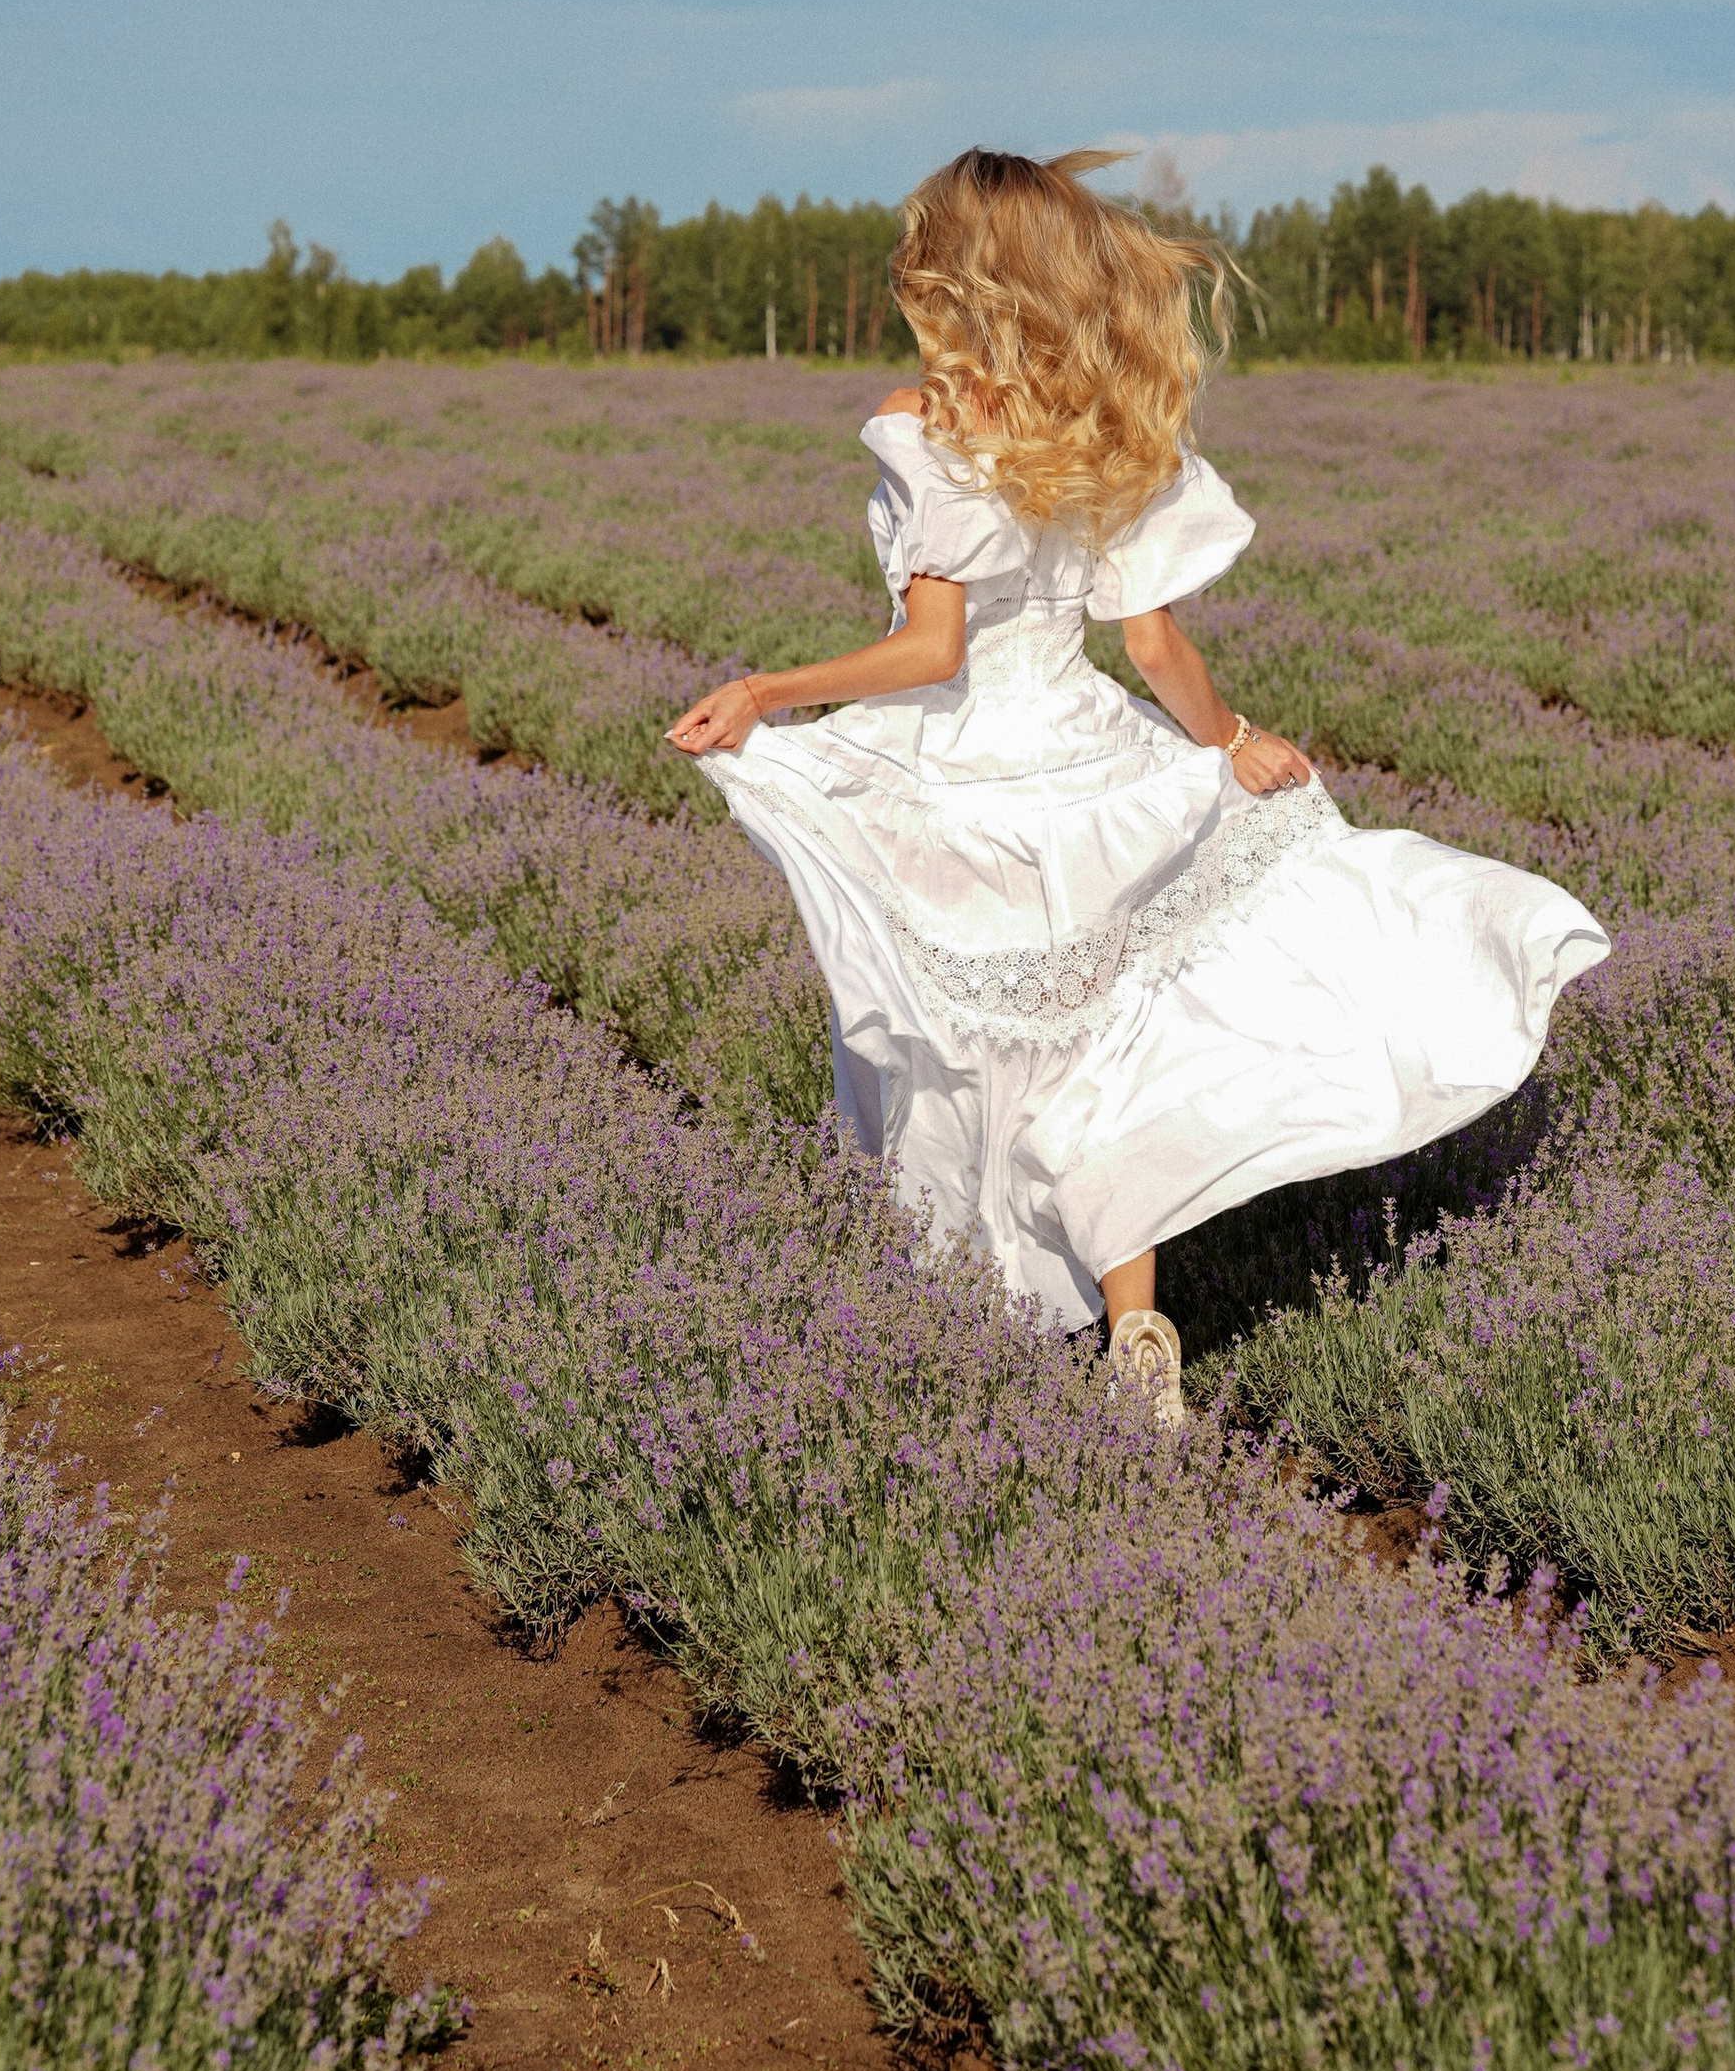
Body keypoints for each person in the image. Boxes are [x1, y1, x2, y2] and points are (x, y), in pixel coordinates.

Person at [668, 148, 1607, 1425]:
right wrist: (1233, 746)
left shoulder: (929, 420)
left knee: (955, 1043)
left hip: (967, 777)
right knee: (1104, 1046)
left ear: (955, 278)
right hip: (1094, 767)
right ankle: (1132, 1323)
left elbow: (933, 652)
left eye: (918, 254)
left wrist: (767, 693)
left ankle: (962, 1315)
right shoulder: (1102, 422)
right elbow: (1152, 645)